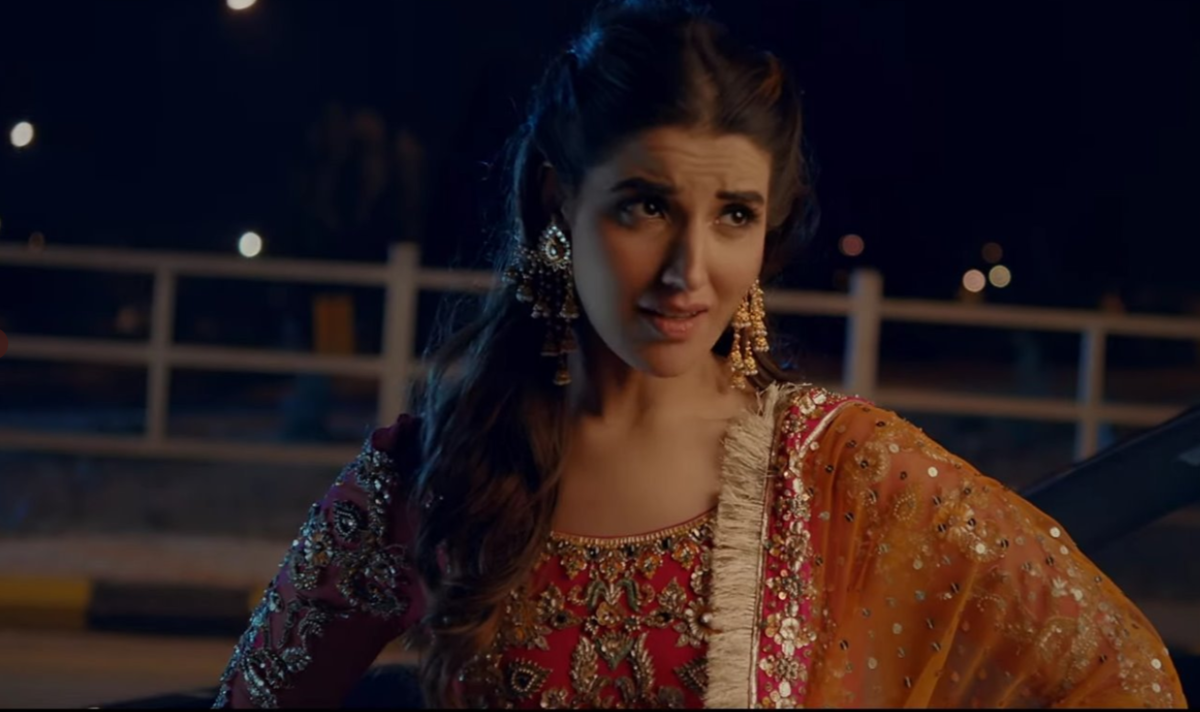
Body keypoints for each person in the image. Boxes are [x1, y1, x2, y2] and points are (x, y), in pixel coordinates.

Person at [213, 1, 1187, 707]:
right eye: (646, 206)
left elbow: (1119, 676)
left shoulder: (843, 473)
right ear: (558, 200)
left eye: (733, 216)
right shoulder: (434, 477)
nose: (689, 270)